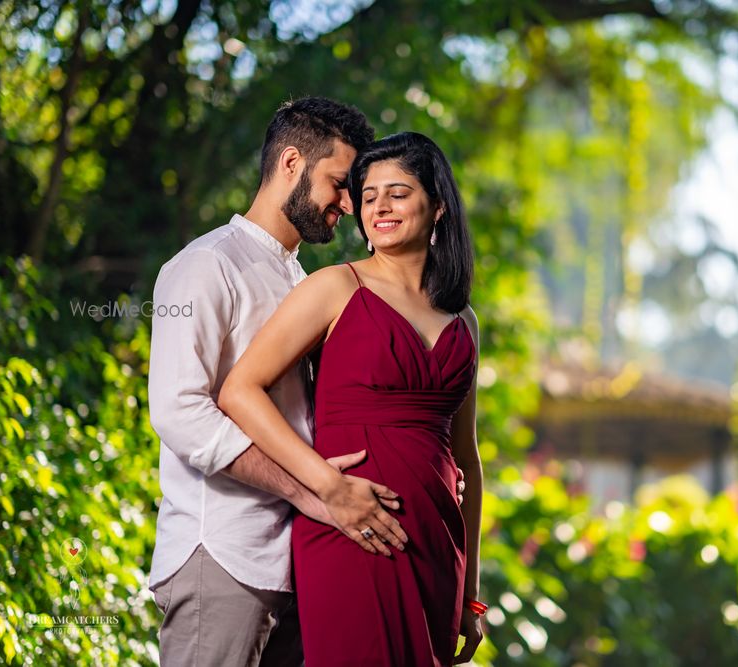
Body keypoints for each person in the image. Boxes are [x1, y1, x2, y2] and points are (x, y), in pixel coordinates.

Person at [148, 98, 452, 666]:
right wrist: (307, 489)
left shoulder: (301, 278)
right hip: (222, 555)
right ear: (291, 163)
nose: (347, 203)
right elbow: (178, 411)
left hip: (299, 560)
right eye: (340, 184)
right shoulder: (204, 265)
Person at [218, 132, 486, 666]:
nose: (379, 207)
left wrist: (471, 590)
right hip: (350, 529)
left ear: (437, 207)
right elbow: (238, 390)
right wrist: (326, 486)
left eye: (398, 193)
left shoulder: (464, 319)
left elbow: (467, 457)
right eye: (368, 196)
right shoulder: (334, 288)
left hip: (436, 545)